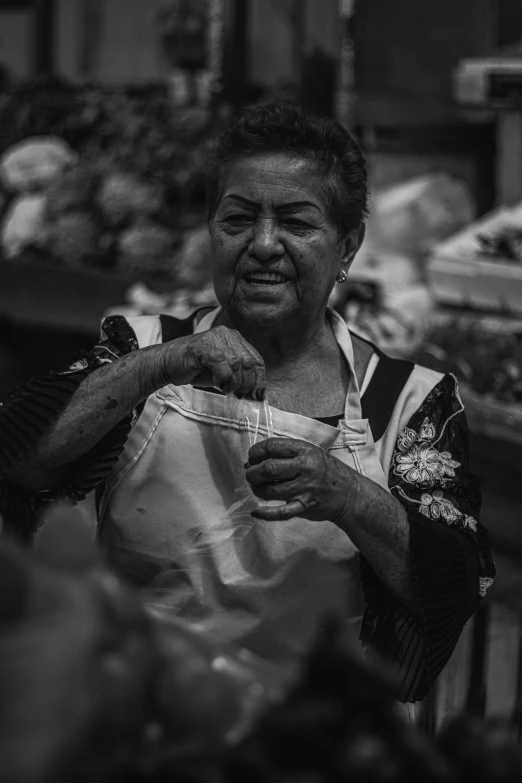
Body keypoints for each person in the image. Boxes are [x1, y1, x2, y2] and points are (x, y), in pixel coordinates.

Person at [0, 102, 494, 702]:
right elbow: (24, 460)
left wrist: (348, 495)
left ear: (348, 246)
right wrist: (161, 364)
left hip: (310, 735)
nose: (263, 244)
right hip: (150, 714)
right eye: (238, 219)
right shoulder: (143, 350)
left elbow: (449, 587)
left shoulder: (409, 401)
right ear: (211, 229)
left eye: (296, 223)